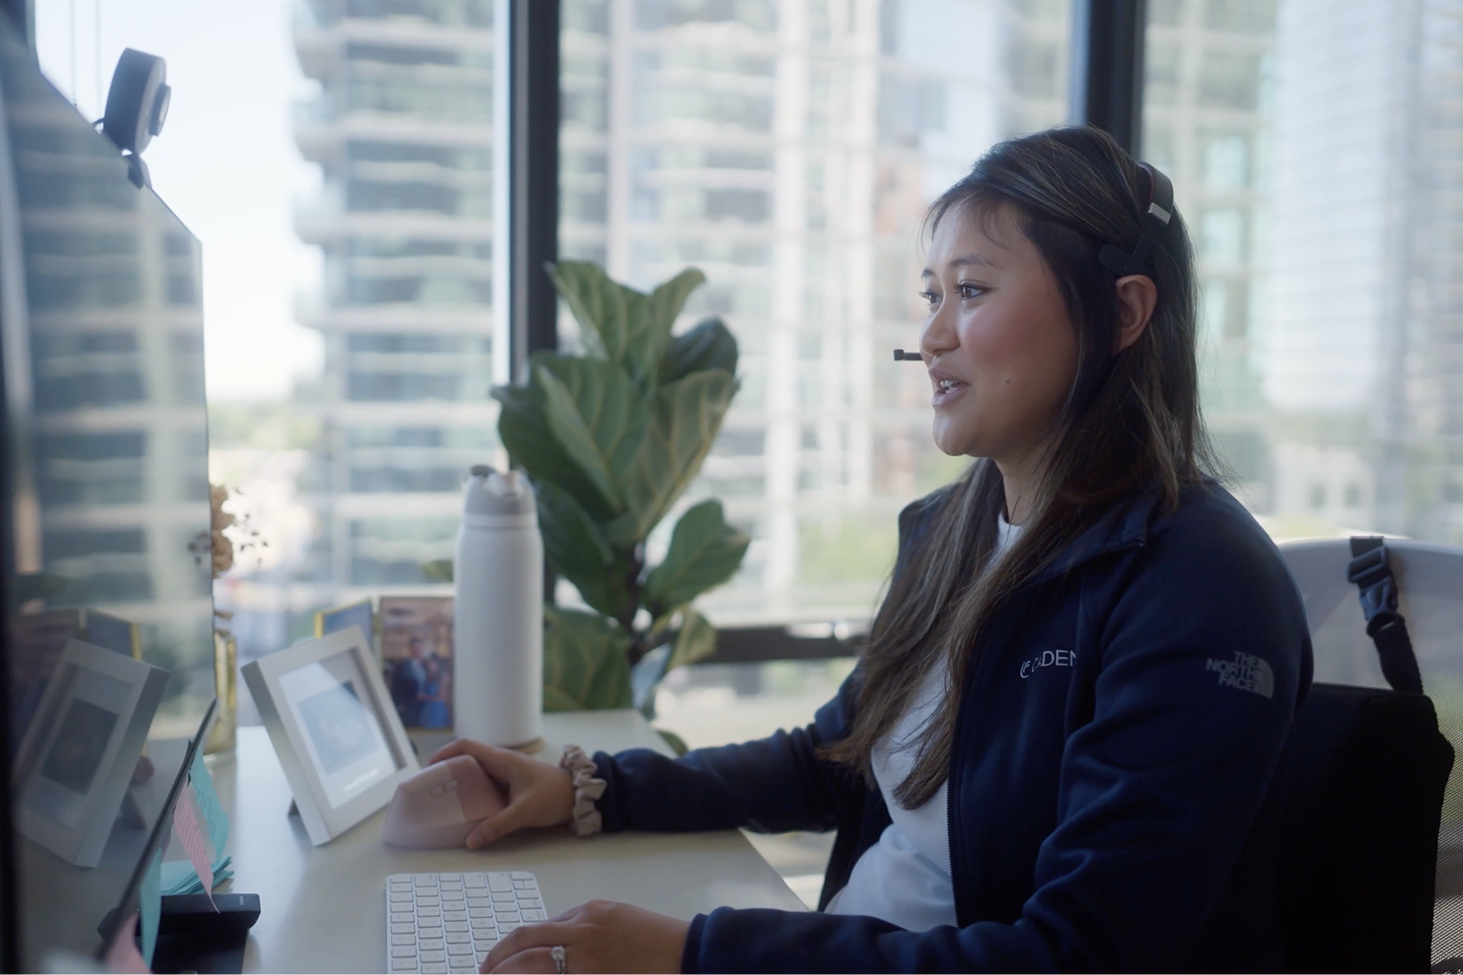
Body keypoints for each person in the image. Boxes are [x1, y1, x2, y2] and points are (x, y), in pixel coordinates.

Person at [429, 126, 1314, 975]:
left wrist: (697, 953)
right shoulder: (950, 531)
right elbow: (833, 757)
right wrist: (591, 790)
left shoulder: (1197, 585)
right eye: (931, 297)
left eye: (970, 291)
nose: (930, 338)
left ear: (1122, 311)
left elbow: (1081, 956)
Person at [389, 636, 428, 728]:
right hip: (409, 706)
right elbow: (396, 686)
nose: (417, 651)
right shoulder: (403, 666)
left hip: (425, 706)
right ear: (410, 649)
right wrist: (400, 705)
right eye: (414, 648)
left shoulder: (426, 665)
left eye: (419, 648)